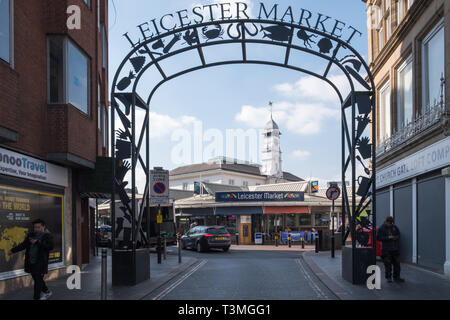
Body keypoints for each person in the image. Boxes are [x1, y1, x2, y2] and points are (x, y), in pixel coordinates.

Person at [7, 219, 54, 300]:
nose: (36, 229)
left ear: (43, 227)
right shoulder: (31, 235)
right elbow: (24, 245)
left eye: (38, 227)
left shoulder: (48, 236)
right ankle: (47, 291)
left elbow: (50, 247)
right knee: (37, 278)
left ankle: (36, 297)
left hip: (40, 262)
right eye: (35, 227)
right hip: (31, 261)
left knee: (38, 280)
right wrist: (12, 250)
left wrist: (37, 242)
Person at [376, 216, 405, 283]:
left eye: (391, 223)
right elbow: (378, 238)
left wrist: (396, 237)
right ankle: (388, 277)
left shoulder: (394, 227)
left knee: (397, 264)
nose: (390, 224)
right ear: (386, 222)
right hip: (386, 249)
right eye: (389, 223)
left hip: (395, 249)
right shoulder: (381, 228)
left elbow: (398, 234)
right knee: (388, 264)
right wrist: (388, 237)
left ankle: (397, 277)